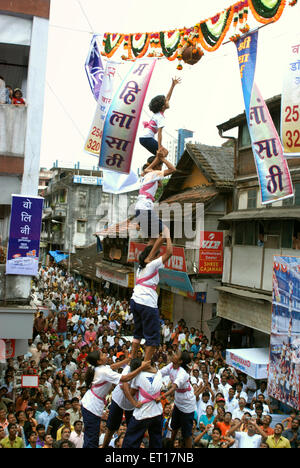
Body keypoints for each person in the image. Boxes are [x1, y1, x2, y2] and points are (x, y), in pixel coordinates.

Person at [81, 350, 150, 448]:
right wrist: (141, 368)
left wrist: (126, 360)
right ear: (99, 361)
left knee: (91, 436)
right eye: (102, 354)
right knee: (92, 439)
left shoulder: (102, 368)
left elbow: (112, 367)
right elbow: (125, 378)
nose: (105, 354)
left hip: (91, 405)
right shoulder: (103, 371)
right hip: (91, 407)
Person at [130, 235, 173, 363]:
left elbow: (151, 246)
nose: (158, 257)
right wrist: (168, 236)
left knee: (138, 332)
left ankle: (132, 357)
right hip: (147, 303)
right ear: (152, 257)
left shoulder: (140, 267)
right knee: (153, 336)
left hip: (135, 300)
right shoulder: (152, 265)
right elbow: (170, 252)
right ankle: (146, 363)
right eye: (156, 255)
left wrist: (155, 231)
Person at [135, 153, 176, 258]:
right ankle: (149, 258)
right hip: (145, 207)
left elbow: (149, 172)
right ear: (158, 166)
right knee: (165, 231)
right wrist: (162, 159)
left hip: (140, 208)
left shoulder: (145, 175)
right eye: (161, 165)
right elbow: (172, 169)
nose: (161, 168)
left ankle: (144, 259)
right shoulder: (153, 174)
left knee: (153, 238)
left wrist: (158, 159)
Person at [122, 357, 164, 448]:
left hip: (143, 413)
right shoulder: (159, 373)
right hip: (158, 412)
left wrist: (125, 387)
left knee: (131, 441)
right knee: (156, 441)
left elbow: (132, 393)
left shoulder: (138, 376)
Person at [159, 351, 197, 448]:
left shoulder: (182, 373)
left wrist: (162, 396)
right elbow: (160, 373)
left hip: (187, 405)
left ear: (180, 361)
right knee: (174, 427)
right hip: (178, 402)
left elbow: (173, 387)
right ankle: (170, 446)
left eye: (176, 355)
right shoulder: (171, 365)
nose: (173, 354)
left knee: (186, 434)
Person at [102, 358, 142, 448]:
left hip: (131, 405)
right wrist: (134, 403)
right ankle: (104, 446)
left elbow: (132, 392)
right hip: (118, 400)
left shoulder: (142, 374)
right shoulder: (127, 370)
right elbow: (126, 390)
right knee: (111, 428)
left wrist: (134, 402)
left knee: (132, 430)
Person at [140, 76, 181, 157]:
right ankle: (150, 168)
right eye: (166, 101)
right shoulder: (160, 117)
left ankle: (152, 166)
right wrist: (159, 147)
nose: (168, 101)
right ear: (163, 107)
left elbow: (168, 97)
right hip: (146, 139)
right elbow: (160, 133)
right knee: (163, 153)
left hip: (144, 138)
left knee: (163, 153)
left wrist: (172, 86)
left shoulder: (158, 113)